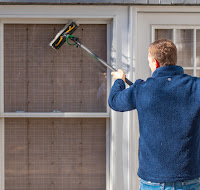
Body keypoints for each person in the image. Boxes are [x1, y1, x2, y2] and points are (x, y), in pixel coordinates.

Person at [108, 39, 200, 190]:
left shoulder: (142, 89)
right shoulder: (195, 87)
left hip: (153, 181)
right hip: (188, 179)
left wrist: (119, 80)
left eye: (149, 62)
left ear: (155, 63)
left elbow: (115, 101)